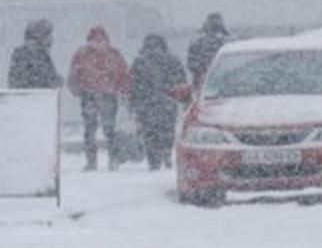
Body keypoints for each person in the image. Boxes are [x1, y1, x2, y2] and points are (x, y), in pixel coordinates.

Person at [68, 26, 132, 171]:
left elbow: (73, 75)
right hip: (107, 96)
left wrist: (78, 90)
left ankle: (92, 162)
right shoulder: (114, 54)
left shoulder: (81, 54)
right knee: (109, 130)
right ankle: (112, 159)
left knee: (90, 130)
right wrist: (123, 91)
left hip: (90, 95)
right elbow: (124, 74)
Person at [130, 34, 187, 171]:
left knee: (149, 131)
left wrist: (133, 101)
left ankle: (153, 159)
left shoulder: (140, 61)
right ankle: (166, 153)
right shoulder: (172, 60)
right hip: (167, 100)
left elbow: (133, 84)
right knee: (167, 129)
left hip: (146, 103)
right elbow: (180, 79)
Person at [7, 18, 63, 90]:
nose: (51, 39)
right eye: (48, 35)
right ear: (39, 37)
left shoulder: (42, 55)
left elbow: (49, 77)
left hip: (36, 97)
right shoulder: (26, 54)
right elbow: (19, 81)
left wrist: (55, 81)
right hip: (32, 98)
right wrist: (54, 81)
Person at [187, 12, 229, 89]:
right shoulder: (227, 41)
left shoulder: (197, 40)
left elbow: (191, 64)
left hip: (202, 82)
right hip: (222, 81)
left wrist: (203, 71)